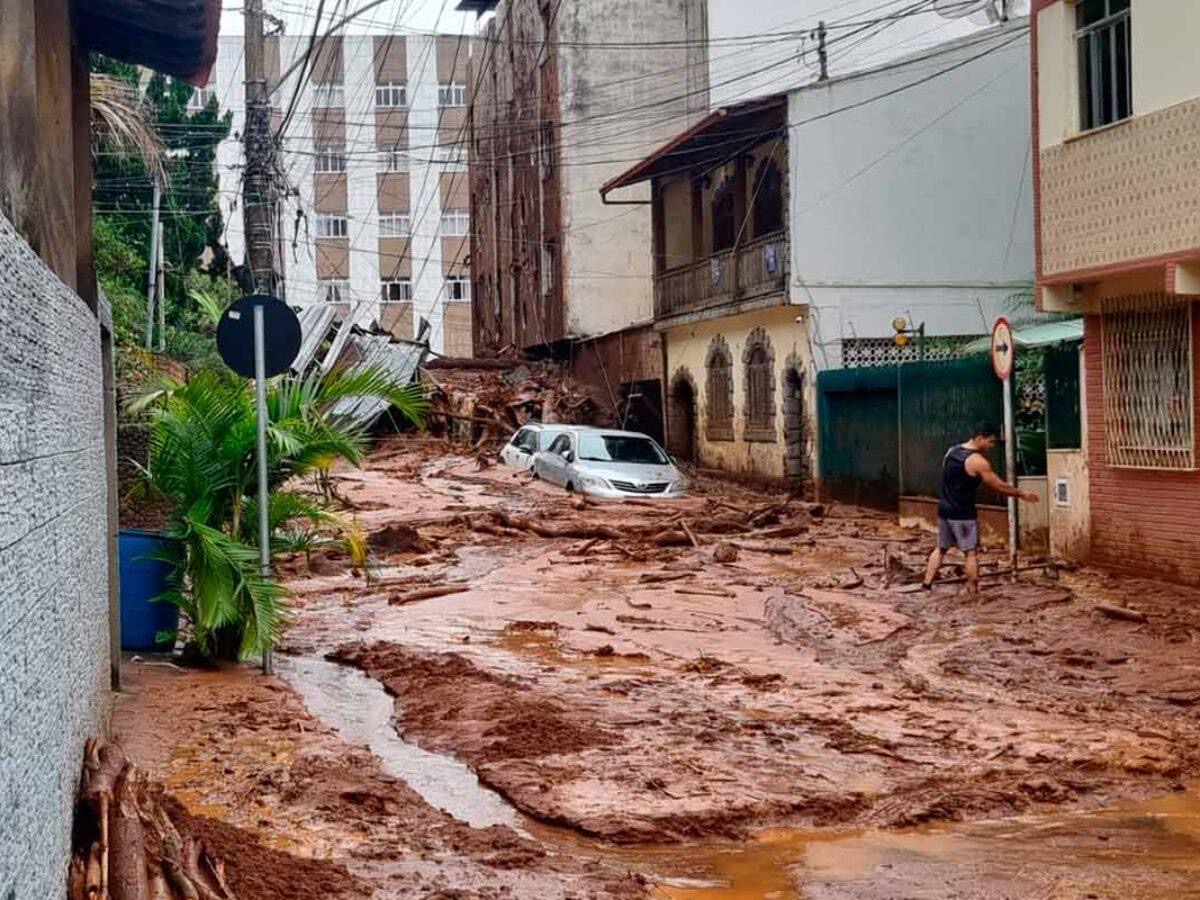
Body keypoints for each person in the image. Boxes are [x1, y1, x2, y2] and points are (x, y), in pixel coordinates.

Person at [921, 422, 1038, 598]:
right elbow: (997, 484)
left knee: (941, 548)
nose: (991, 446)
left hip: (944, 510)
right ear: (979, 438)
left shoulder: (951, 451)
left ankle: (926, 584)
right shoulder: (977, 461)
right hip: (963, 514)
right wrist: (1021, 494)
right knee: (970, 553)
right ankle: (973, 592)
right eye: (990, 442)